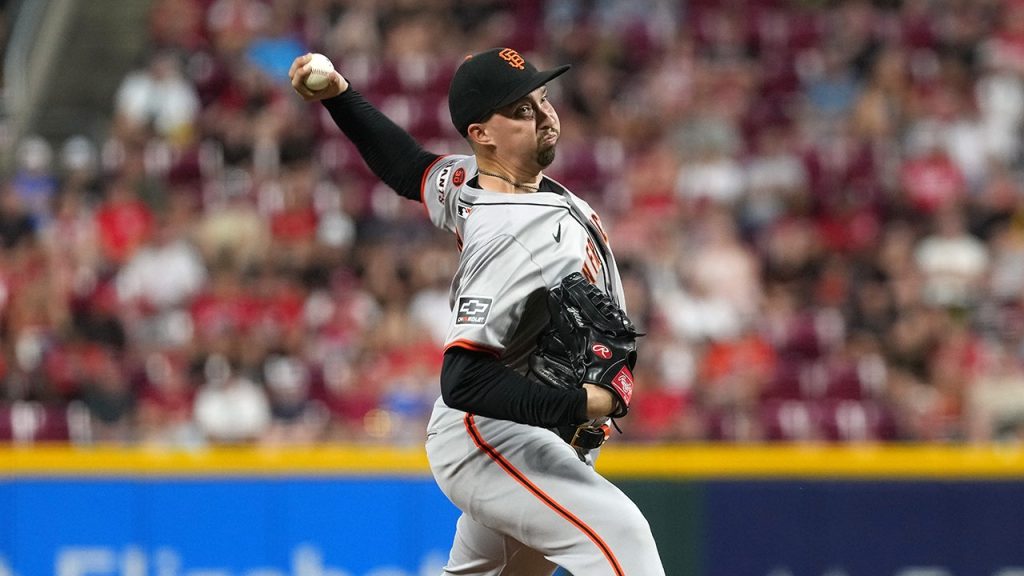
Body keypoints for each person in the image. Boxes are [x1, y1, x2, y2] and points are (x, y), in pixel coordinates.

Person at [289, 47, 665, 576]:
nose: (544, 115)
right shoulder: (506, 235)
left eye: (543, 99)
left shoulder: (473, 182)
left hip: (530, 435)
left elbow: (410, 168)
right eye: (522, 111)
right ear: (481, 133)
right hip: (491, 436)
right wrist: (581, 401)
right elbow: (462, 379)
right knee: (622, 538)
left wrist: (341, 96)